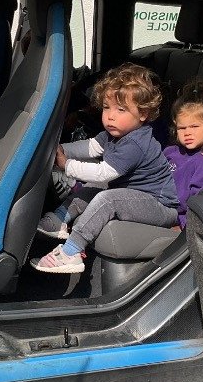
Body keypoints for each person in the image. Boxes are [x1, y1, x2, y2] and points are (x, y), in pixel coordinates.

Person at [32, 63, 179, 274]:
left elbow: (104, 172)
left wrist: (67, 164)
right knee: (92, 188)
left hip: (159, 206)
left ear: (144, 114)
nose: (110, 116)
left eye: (121, 110)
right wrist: (61, 148)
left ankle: (71, 252)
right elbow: (91, 146)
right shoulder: (114, 134)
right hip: (135, 196)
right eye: (107, 107)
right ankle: (59, 220)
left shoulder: (135, 143)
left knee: (106, 198)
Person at [164, 81, 203, 230]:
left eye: (194, 126)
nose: (187, 132)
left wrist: (183, 225)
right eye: (181, 128)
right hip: (155, 202)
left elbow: (197, 204)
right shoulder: (171, 152)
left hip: (174, 218)